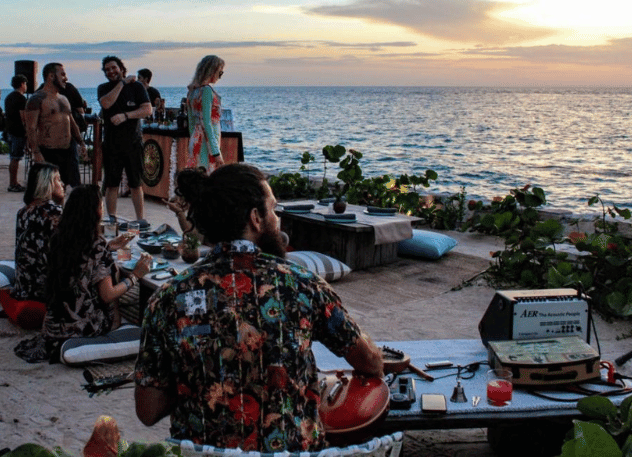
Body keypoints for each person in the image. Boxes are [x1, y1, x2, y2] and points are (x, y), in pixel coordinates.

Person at [134, 164, 383, 452]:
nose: (277, 220)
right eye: (273, 210)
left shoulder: (167, 299)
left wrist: (202, 377)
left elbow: (148, 410)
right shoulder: (303, 286)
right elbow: (370, 362)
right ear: (255, 218)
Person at [43, 184, 152, 356]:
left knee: (107, 267)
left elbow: (82, 260)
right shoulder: (96, 245)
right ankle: (118, 321)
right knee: (113, 271)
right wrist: (136, 275)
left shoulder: (58, 238)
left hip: (53, 324)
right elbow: (107, 295)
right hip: (84, 327)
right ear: (94, 212)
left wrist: (108, 247)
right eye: (100, 205)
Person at [97, 56, 152, 222]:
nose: (111, 71)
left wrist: (126, 116)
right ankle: (111, 218)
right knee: (111, 184)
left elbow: (147, 109)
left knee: (136, 183)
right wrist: (121, 84)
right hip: (112, 144)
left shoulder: (137, 87)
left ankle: (140, 219)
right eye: (107, 70)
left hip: (133, 143)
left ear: (121, 68)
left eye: (114, 68)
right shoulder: (103, 88)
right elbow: (106, 104)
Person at [25, 63, 87, 189]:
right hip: (49, 151)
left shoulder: (63, 98)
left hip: (69, 150)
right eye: (63, 74)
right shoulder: (37, 99)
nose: (66, 78)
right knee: (49, 191)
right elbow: (31, 128)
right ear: (51, 76)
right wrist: (36, 152)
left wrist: (81, 142)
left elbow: (71, 121)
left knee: (73, 188)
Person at [11, 162, 65, 303]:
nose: (62, 184)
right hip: (44, 290)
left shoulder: (23, 212)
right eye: (58, 180)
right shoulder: (53, 212)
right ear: (47, 184)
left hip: (24, 287)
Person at [185, 55, 225, 173]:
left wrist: (193, 140)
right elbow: (207, 123)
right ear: (212, 71)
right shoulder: (206, 91)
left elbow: (191, 123)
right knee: (209, 176)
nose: (220, 77)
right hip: (208, 144)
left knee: (198, 176)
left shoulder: (192, 92)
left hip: (196, 139)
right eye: (220, 73)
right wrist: (216, 152)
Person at [4, 75, 28, 193]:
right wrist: (28, 132)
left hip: (10, 130)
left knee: (13, 157)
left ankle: (12, 182)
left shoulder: (8, 97)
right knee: (16, 158)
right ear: (22, 84)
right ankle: (13, 183)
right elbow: (24, 118)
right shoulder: (21, 99)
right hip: (18, 131)